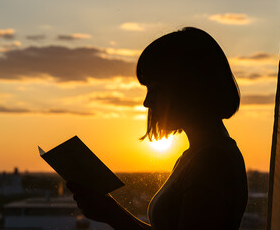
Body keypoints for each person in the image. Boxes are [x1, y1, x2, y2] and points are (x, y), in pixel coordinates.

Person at [67, 27, 248, 230]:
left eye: (155, 90)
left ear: (187, 88)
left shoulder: (212, 161)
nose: (146, 102)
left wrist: (112, 213)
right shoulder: (199, 155)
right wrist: (110, 212)